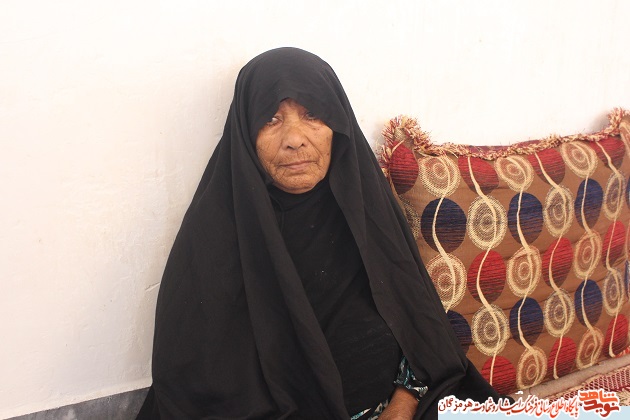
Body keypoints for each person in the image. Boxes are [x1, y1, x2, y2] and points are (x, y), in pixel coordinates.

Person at [137, 47, 501, 419]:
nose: (294, 138)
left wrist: (404, 404)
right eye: (271, 119)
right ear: (246, 134)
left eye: (312, 114)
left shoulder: (366, 210)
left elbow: (421, 329)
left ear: (336, 126)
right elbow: (196, 388)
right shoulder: (215, 238)